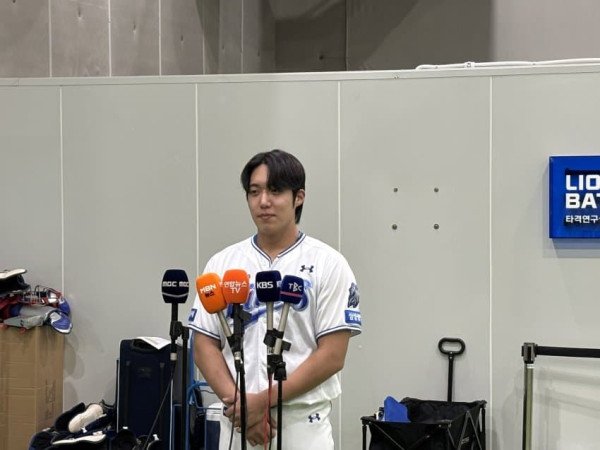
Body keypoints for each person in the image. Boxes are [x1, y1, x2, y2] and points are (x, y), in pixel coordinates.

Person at [188, 149, 362, 449]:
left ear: (299, 197)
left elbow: (333, 354)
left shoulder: (328, 263)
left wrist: (262, 402)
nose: (263, 201)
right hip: (238, 421)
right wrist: (244, 408)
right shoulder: (223, 263)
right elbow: (203, 344)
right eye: (254, 192)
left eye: (275, 191)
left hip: (301, 422)